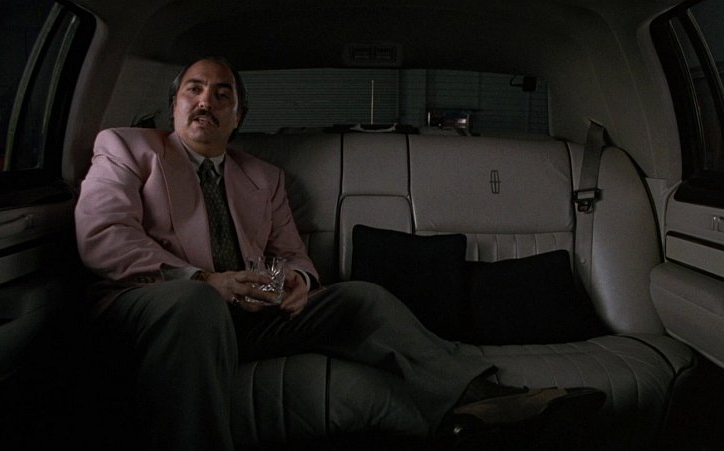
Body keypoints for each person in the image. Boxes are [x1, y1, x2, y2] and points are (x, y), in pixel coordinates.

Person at [74, 56, 604, 450]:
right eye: (194, 89)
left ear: (237, 117)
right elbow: (104, 235)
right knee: (197, 304)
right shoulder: (129, 149)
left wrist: (294, 282)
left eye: (222, 94)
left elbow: (290, 254)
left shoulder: (263, 178)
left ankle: (487, 399)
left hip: (247, 319)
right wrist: (202, 280)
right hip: (160, 309)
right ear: (175, 105)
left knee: (362, 298)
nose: (205, 101)